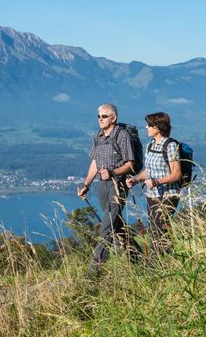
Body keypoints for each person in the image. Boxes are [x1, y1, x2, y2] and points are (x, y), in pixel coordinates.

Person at [77, 103, 137, 272]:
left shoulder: (122, 135)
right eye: (99, 116)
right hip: (102, 185)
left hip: (118, 184)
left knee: (107, 227)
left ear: (113, 118)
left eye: (104, 116)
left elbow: (130, 165)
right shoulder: (98, 136)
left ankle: (94, 271)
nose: (100, 119)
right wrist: (86, 185)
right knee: (116, 225)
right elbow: (95, 163)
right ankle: (137, 257)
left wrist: (112, 172)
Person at [126, 111, 182, 255]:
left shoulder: (170, 145)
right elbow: (148, 170)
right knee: (157, 229)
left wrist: (157, 182)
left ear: (158, 127)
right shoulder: (151, 144)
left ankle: (156, 261)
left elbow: (177, 174)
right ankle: (169, 258)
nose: (146, 127)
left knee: (158, 229)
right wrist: (136, 180)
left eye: (149, 125)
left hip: (168, 195)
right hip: (152, 195)